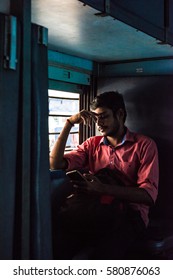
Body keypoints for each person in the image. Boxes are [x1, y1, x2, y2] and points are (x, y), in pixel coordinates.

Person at [50, 91, 159, 260]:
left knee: (106, 252)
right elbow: (55, 164)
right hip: (96, 209)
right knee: (58, 242)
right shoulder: (91, 144)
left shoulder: (144, 145)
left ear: (120, 114)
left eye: (104, 117)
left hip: (130, 215)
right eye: (96, 118)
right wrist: (69, 124)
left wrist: (102, 188)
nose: (98, 123)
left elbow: (148, 195)